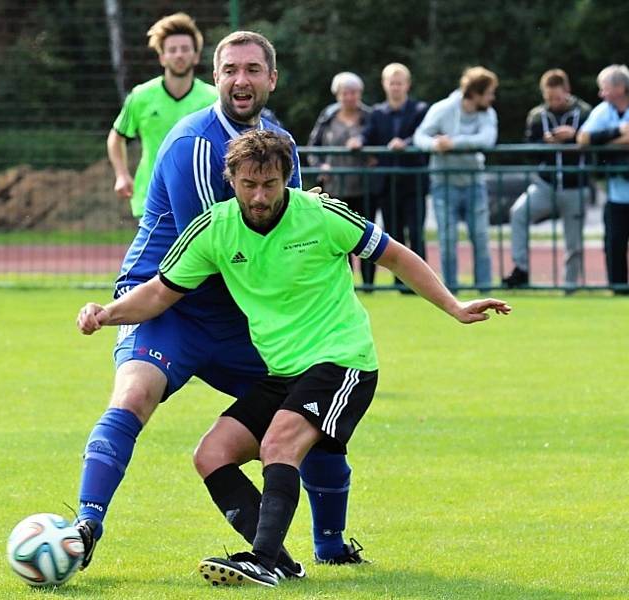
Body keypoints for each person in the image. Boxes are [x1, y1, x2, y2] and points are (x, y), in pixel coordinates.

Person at [75, 129, 511, 588]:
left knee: (278, 444)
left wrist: (454, 306)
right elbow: (160, 293)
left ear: (287, 178)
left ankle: (261, 560)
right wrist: (107, 314)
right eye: (249, 185)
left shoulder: (321, 215)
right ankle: (281, 561)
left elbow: (397, 257)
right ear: (232, 180)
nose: (259, 196)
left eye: (270, 184)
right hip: (284, 372)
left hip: (343, 361)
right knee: (212, 454)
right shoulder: (214, 228)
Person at [72, 31, 366, 579]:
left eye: (253, 70)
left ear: (272, 79)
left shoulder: (279, 143)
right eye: (231, 70)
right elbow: (218, 252)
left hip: (237, 317)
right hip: (166, 304)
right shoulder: (193, 145)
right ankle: (85, 528)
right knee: (134, 396)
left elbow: (287, 231)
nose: (241, 80)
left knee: (311, 413)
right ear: (216, 77)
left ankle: (328, 545)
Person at [106, 13, 218, 218]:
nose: (179, 55)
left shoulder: (213, 98)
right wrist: (121, 175)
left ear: (196, 55)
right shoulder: (141, 96)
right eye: (172, 50)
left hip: (202, 199)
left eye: (185, 49)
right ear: (162, 56)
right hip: (150, 198)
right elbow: (116, 137)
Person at [503, 69, 592, 289]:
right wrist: (544, 144)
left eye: (558, 98)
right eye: (549, 98)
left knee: (574, 242)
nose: (553, 102)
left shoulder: (585, 112)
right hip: (545, 184)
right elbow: (529, 150)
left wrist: (574, 136)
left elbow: (594, 145)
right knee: (518, 213)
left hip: (575, 185)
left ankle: (570, 286)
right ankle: (520, 269)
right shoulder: (536, 115)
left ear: (567, 91)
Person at [413, 66, 499, 291]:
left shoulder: (487, 113)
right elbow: (420, 135)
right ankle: (450, 290)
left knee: (480, 238)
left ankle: (485, 289)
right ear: (476, 93)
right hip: (444, 183)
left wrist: (453, 143)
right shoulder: (442, 109)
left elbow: (487, 139)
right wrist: (434, 145)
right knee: (448, 241)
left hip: (474, 183)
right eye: (489, 92)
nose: (492, 98)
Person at [350, 63, 429, 289]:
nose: (395, 87)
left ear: (408, 85)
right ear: (385, 85)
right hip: (387, 185)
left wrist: (405, 144)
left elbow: (423, 135)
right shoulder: (377, 113)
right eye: (391, 83)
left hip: (413, 183)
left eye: (399, 83)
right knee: (393, 235)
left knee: (416, 234)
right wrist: (359, 142)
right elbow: (367, 135)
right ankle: (400, 283)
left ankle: (420, 285)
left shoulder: (420, 110)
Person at [577, 64, 629, 291]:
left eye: (604, 88)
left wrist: (603, 143)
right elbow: (583, 139)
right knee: (614, 244)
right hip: (616, 192)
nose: (600, 94)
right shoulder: (603, 110)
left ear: (620, 88)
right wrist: (616, 133)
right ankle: (619, 290)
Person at [307, 72, 373, 284]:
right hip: (334, 188)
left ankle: (370, 284)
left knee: (366, 236)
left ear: (360, 93)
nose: (349, 97)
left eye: (353, 92)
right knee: (338, 237)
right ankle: (345, 282)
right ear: (337, 94)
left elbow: (379, 140)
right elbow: (313, 148)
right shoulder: (327, 117)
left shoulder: (370, 116)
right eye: (344, 93)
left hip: (364, 187)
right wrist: (320, 166)